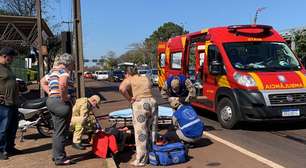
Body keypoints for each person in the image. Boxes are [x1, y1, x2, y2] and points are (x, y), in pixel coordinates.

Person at [40, 53, 75, 165]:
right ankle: (60, 158)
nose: (73, 66)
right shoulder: (64, 72)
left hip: (51, 101)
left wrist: (50, 92)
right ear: (68, 63)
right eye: (72, 64)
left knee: (56, 131)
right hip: (60, 103)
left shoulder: (52, 71)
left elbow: (42, 81)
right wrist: (65, 98)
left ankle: (56, 155)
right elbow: (63, 84)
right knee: (62, 132)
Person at [119, 66, 158, 167]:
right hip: (152, 102)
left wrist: (129, 98)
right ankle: (152, 155)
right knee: (152, 130)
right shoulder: (145, 78)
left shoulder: (130, 79)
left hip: (140, 104)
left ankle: (141, 160)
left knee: (141, 133)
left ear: (127, 74)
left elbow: (121, 88)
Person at [0, 47, 21, 160]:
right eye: (11, 57)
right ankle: (0, 150)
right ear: (4, 56)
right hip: (3, 104)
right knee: (2, 129)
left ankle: (9, 148)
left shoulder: (7, 68)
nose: (12, 59)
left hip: (13, 103)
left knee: (12, 127)